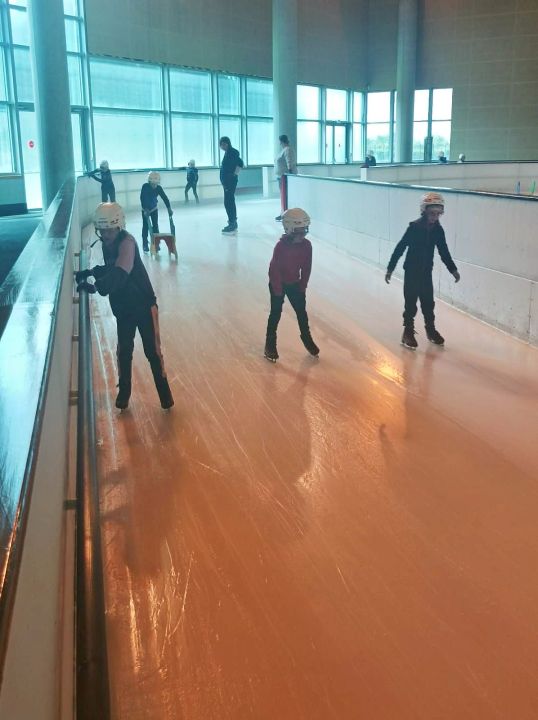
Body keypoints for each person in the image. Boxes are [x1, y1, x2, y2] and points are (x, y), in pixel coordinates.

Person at [75, 202, 174, 410]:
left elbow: (120, 273)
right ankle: (124, 393)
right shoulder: (107, 243)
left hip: (144, 306)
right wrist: (91, 272)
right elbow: (110, 267)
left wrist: (96, 287)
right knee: (124, 351)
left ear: (119, 226)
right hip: (123, 309)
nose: (106, 234)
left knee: (152, 352)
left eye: (110, 230)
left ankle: (165, 395)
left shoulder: (127, 242)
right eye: (102, 230)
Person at [385, 191, 460, 349]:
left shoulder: (438, 230)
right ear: (424, 211)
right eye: (432, 213)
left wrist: (452, 269)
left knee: (428, 303)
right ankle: (407, 332)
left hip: (426, 272)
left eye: (438, 214)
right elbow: (400, 247)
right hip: (412, 271)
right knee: (411, 302)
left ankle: (430, 330)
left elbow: (444, 251)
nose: (435, 217)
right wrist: (390, 268)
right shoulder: (414, 227)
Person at [264, 208, 319, 362]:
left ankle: (307, 338)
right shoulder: (280, 247)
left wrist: (303, 285)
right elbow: (273, 269)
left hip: (295, 283)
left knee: (302, 313)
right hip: (278, 284)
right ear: (288, 229)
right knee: (275, 313)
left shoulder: (307, 246)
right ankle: (270, 344)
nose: (302, 235)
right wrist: (277, 290)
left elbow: (307, 268)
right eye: (298, 231)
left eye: (304, 231)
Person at [140, 171, 173, 253]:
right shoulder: (145, 187)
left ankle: (156, 243)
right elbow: (142, 198)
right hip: (145, 209)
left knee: (155, 226)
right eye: (153, 184)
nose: (154, 185)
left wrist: (169, 208)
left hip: (154, 209)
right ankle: (145, 244)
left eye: (156, 184)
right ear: (149, 182)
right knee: (145, 226)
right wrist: (146, 209)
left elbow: (165, 198)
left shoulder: (159, 188)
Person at [219, 136, 243, 234]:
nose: (222, 147)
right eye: (221, 145)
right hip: (227, 182)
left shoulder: (232, 152)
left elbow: (240, 163)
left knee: (228, 202)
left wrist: (234, 175)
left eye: (223, 144)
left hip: (229, 182)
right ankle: (232, 222)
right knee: (229, 201)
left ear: (227, 143)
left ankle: (232, 222)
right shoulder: (228, 152)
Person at [275, 134, 298, 221]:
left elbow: (290, 163)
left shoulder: (288, 150)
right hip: (281, 177)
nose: (279, 143)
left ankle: (286, 214)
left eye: (280, 142)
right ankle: (283, 213)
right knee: (283, 197)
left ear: (282, 141)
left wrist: (290, 177)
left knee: (285, 196)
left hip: (285, 178)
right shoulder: (284, 150)